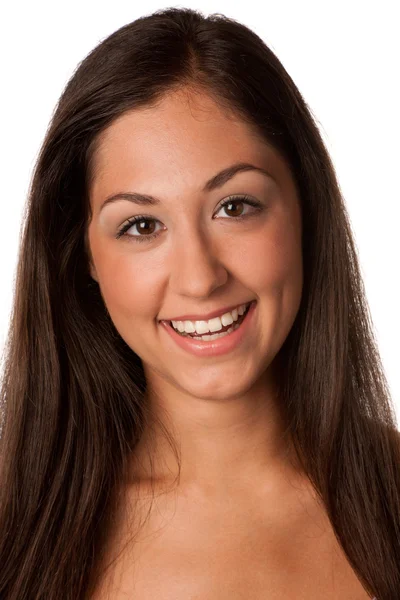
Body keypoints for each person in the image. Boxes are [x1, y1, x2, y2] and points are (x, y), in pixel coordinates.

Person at [0, 7, 397, 599]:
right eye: (140, 225)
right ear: (81, 253)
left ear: (306, 209)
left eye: (234, 207)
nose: (199, 278)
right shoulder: (18, 532)